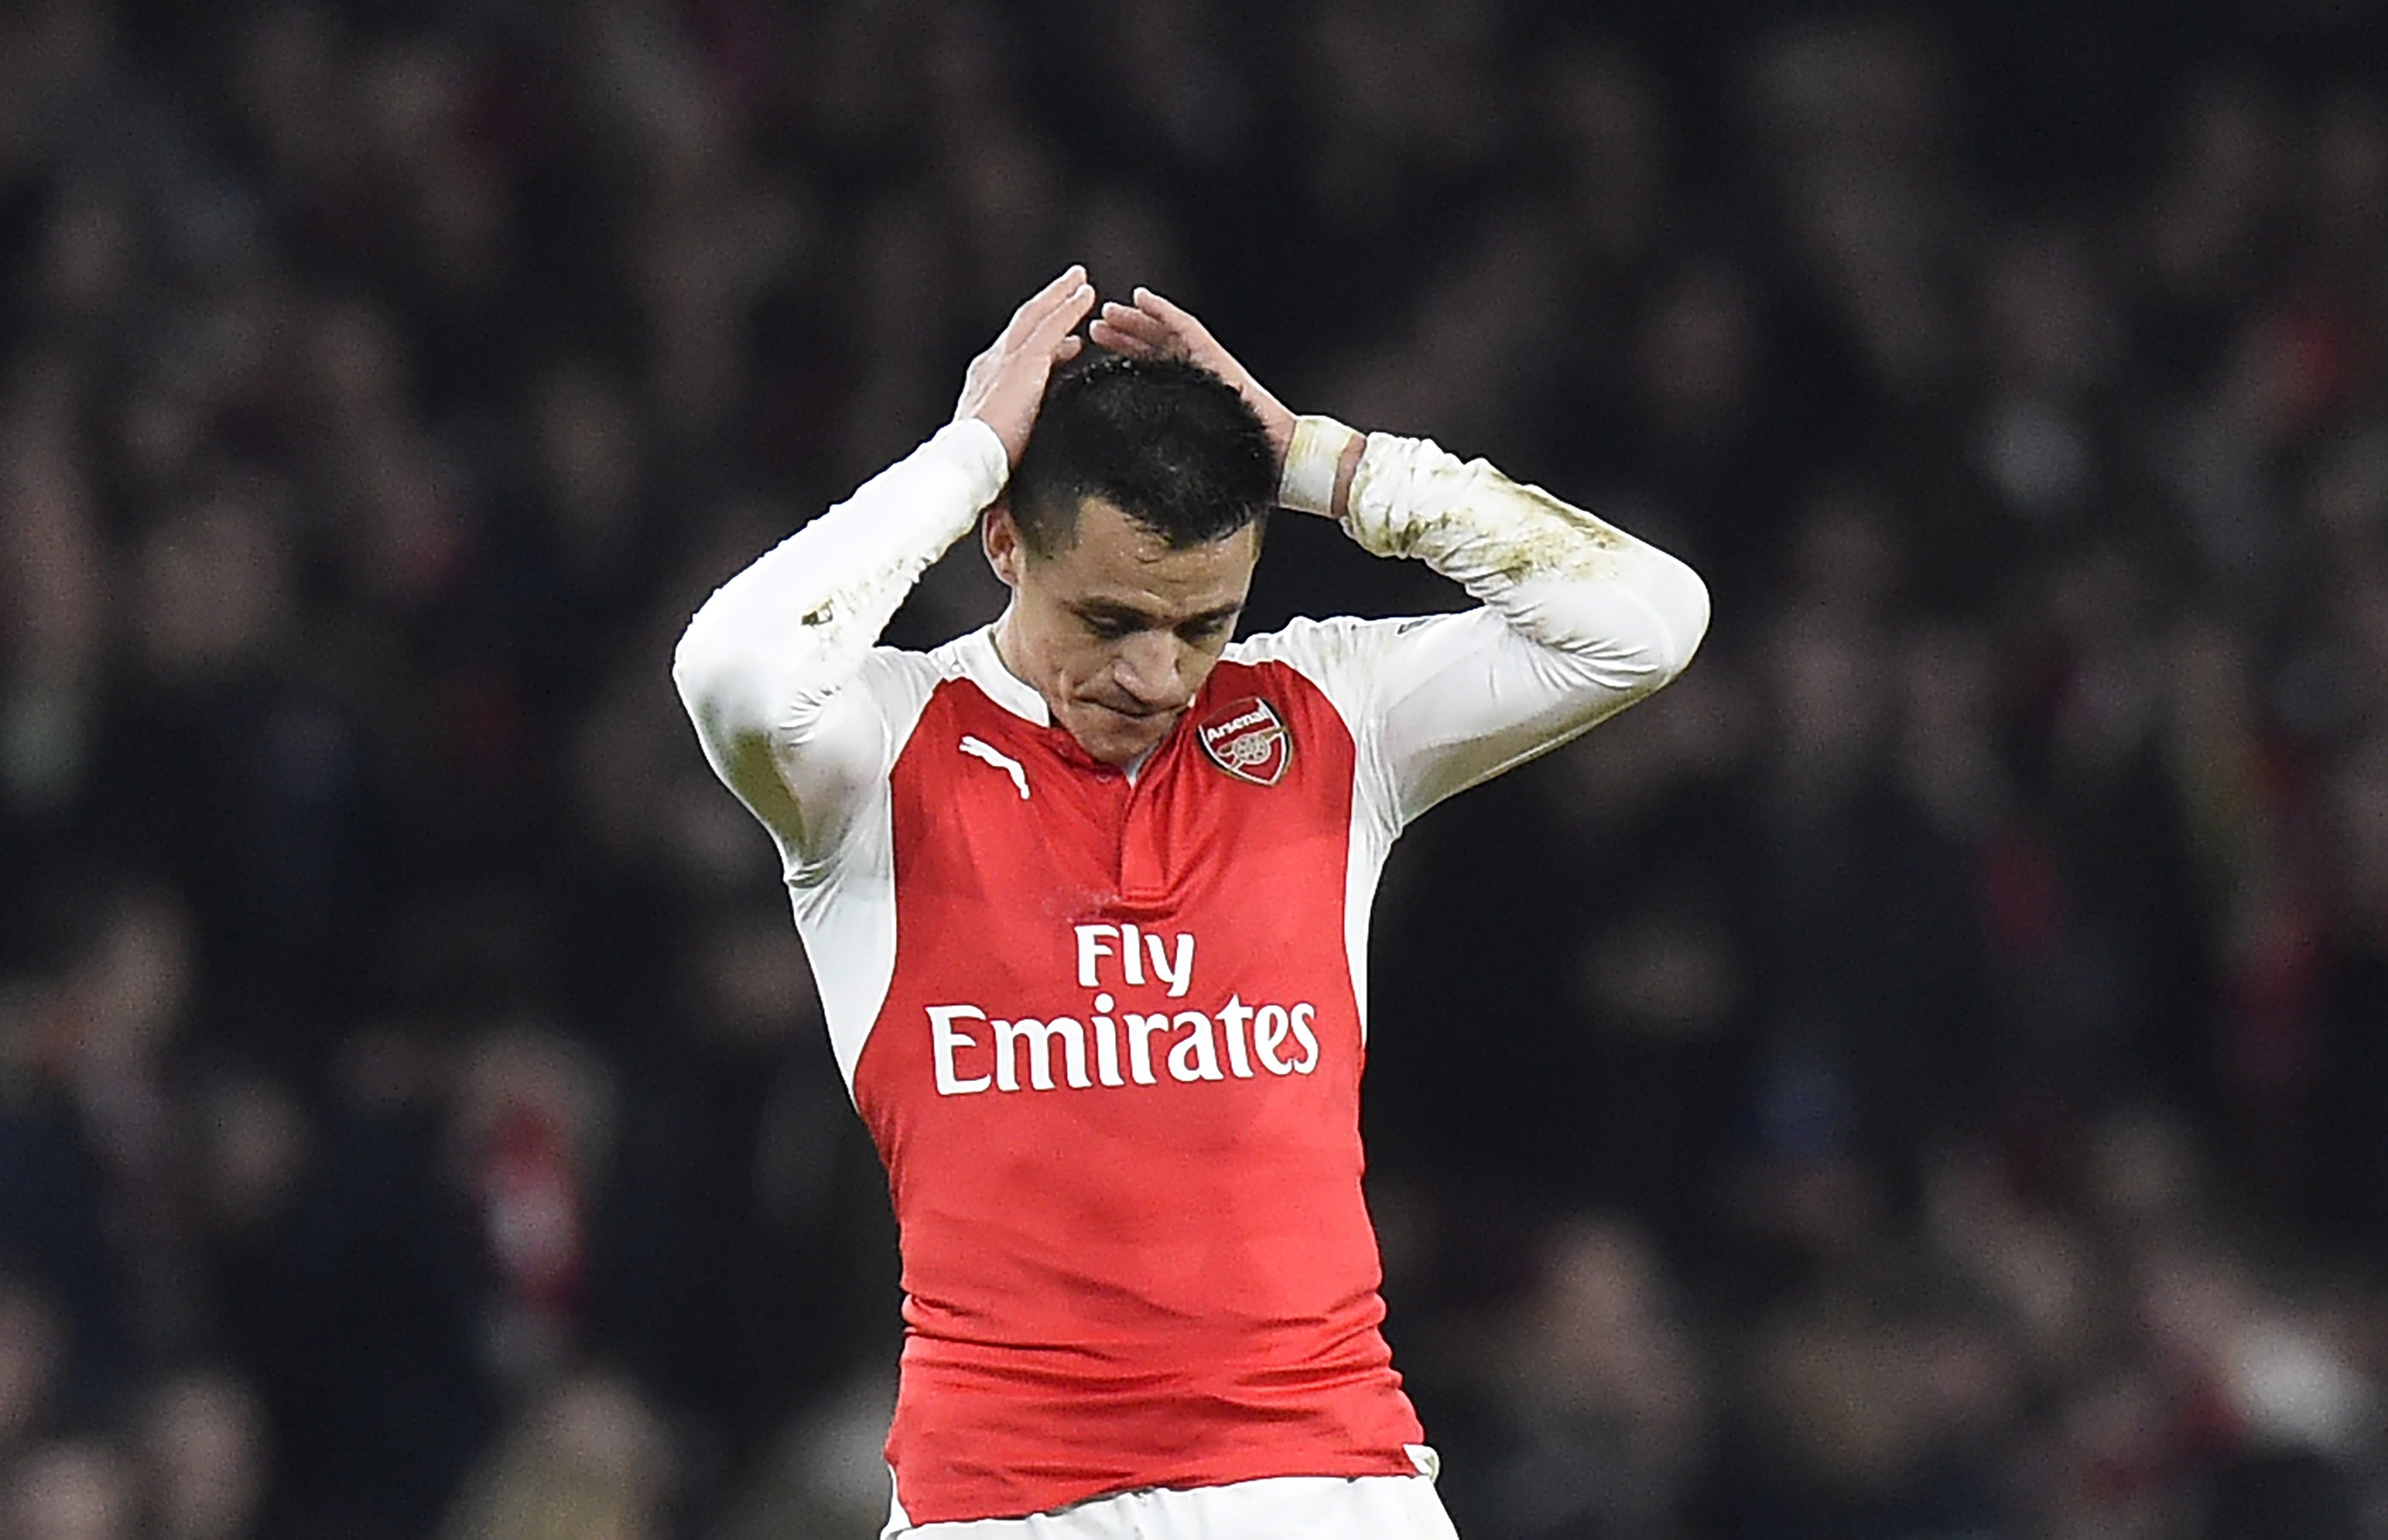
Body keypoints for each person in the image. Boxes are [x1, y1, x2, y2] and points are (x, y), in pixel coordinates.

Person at [673, 266, 1709, 1539]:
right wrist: (963, 460)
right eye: (1107, 618)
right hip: (1007, 1504)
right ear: (1004, 542)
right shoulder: (875, 755)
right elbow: (728, 668)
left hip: (1327, 1486)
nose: (1154, 673)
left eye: (1202, 622)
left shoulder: (1328, 712)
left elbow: (1646, 622)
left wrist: (1321, 462)